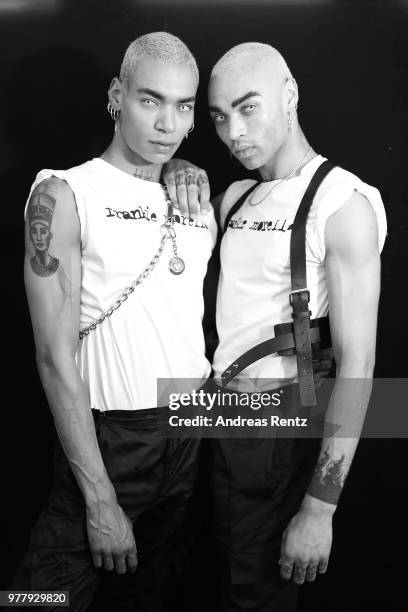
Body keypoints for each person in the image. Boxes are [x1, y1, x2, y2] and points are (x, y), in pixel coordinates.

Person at [163, 42, 387, 611]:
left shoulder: (342, 202)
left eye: (248, 108)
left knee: (256, 594)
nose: (233, 131)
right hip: (213, 418)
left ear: (289, 94)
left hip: (284, 430)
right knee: (204, 575)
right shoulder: (237, 195)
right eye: (218, 117)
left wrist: (320, 508)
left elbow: (360, 365)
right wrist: (176, 167)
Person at [14, 32, 217, 611]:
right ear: (115, 95)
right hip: (113, 439)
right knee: (38, 598)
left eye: (183, 106)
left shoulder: (197, 200)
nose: (167, 124)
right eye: (150, 100)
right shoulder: (64, 194)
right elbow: (53, 358)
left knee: (157, 594)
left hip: (193, 428)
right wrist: (100, 497)